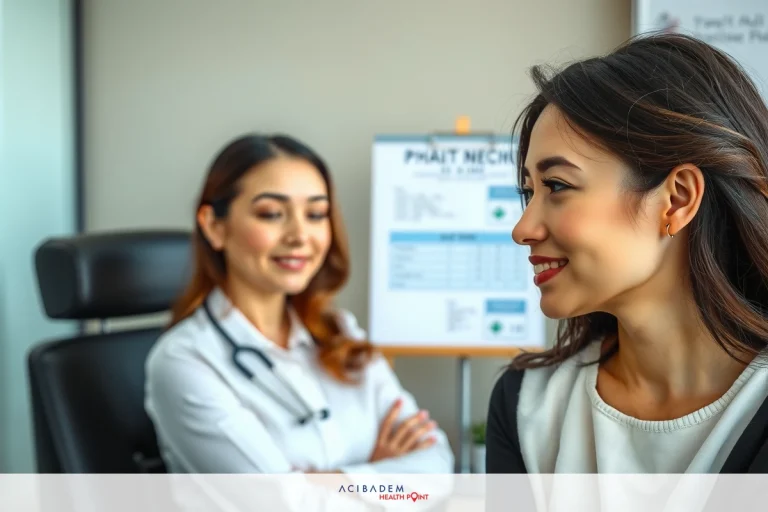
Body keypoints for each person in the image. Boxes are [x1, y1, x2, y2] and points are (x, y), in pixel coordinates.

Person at [486, 33, 768, 474]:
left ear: (676, 199)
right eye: (529, 192)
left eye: (557, 186)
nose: (522, 229)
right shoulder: (526, 407)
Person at [145, 133, 454, 474]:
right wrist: (379, 473)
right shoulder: (185, 361)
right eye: (272, 213)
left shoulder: (340, 332)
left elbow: (437, 464)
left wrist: (331, 482)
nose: (299, 235)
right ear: (214, 226)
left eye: (316, 214)